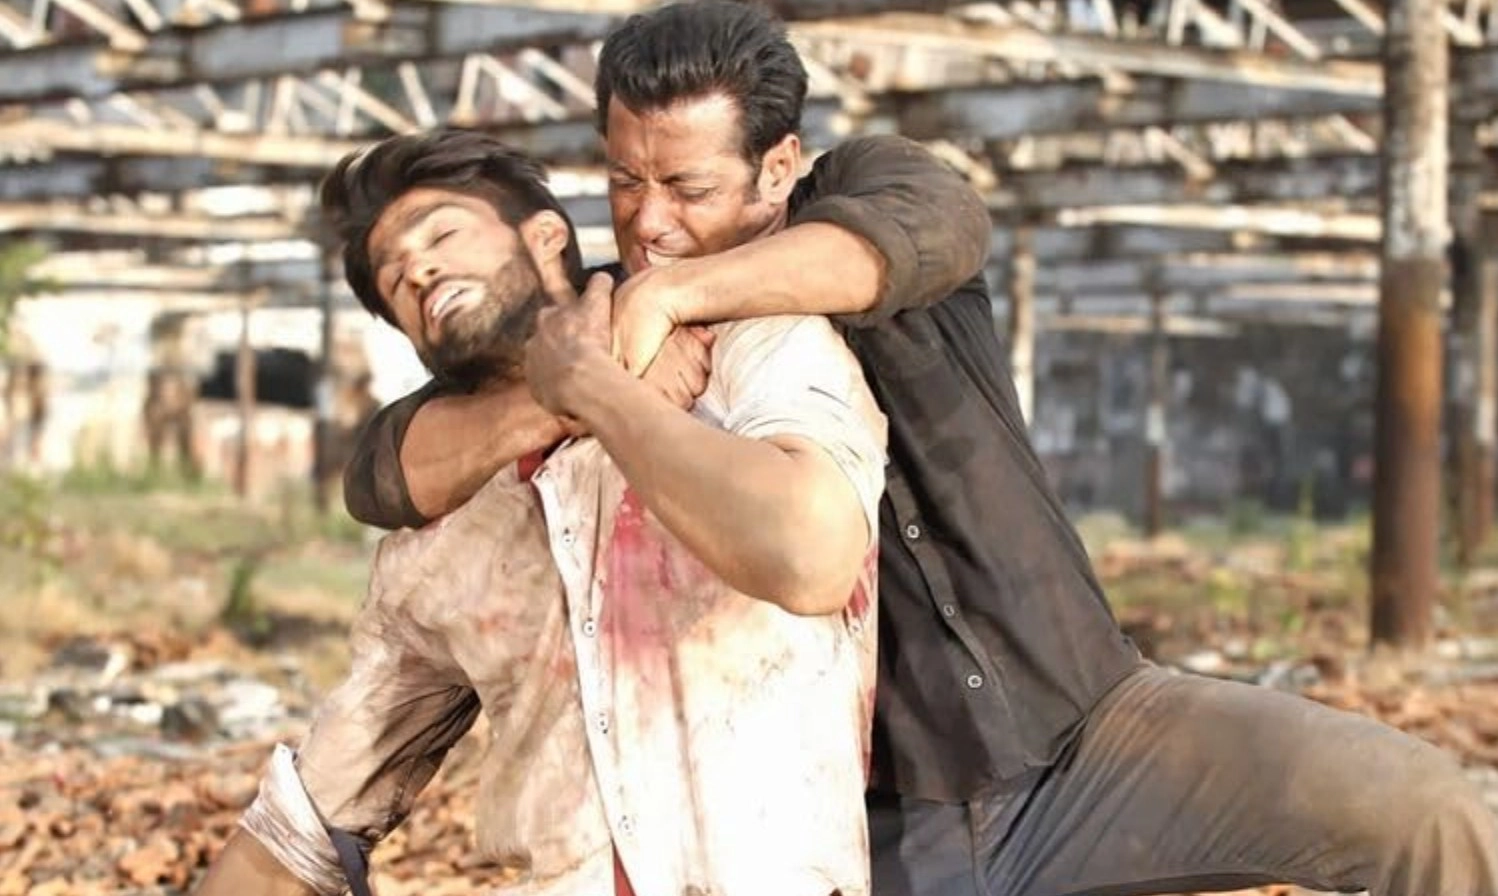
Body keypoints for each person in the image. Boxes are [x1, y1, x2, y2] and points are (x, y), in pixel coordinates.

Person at [346, 3, 1498, 895]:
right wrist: (568, 397)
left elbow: (915, 236)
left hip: (1083, 731)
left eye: (688, 185)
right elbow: (384, 464)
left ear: (779, 167)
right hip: (872, 829)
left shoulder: (869, 192)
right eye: (623, 180)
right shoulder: (598, 333)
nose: (648, 221)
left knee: (1423, 811)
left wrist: (671, 301)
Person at [196, 130, 886, 896]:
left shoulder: (743, 359)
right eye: (394, 277)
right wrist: (559, 404)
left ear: (547, 235)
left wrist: (597, 386)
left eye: (442, 236)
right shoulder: (447, 539)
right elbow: (302, 828)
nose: (418, 269)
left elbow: (811, 558)